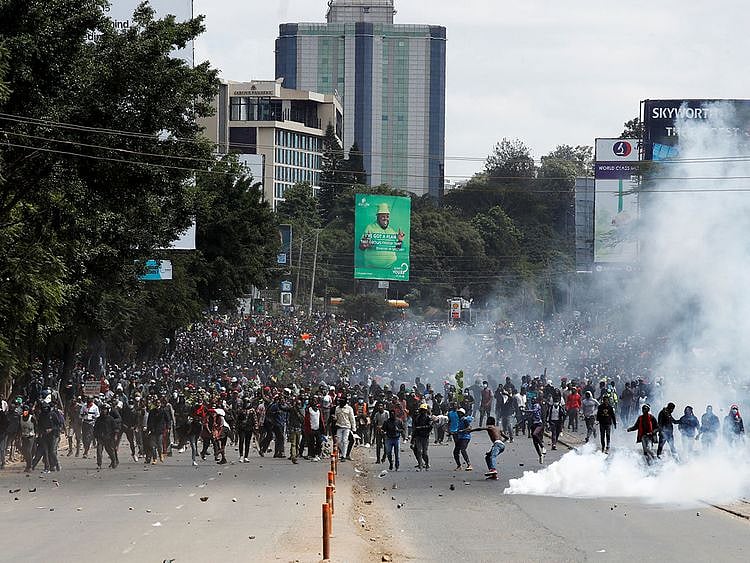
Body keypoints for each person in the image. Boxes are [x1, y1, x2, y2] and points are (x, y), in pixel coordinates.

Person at [358, 202, 405, 271]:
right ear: (378, 217)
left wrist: (400, 240)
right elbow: (361, 247)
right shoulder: (370, 228)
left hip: (389, 269)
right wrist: (364, 245)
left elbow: (397, 248)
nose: (385, 218)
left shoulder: (391, 231)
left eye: (387, 216)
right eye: (383, 216)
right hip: (371, 269)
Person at [94, 403, 118, 469]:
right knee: (99, 451)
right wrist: (95, 436)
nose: (103, 411)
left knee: (110, 451)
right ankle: (99, 464)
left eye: (105, 410)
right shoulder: (98, 419)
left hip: (109, 438)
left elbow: (115, 428)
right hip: (100, 438)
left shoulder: (111, 419)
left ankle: (114, 461)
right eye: (102, 409)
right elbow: (95, 428)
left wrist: (115, 436)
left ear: (107, 410)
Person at [334, 397, 357, 462]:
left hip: (347, 427)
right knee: (338, 442)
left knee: (345, 441)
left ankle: (343, 456)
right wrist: (334, 418)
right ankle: (344, 452)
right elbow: (336, 417)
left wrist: (354, 428)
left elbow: (352, 419)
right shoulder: (337, 408)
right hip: (339, 426)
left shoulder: (349, 408)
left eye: (342, 402)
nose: (340, 403)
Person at [525, 397, 546, 464]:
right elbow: (529, 416)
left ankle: (543, 447)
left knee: (535, 434)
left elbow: (534, 411)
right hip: (533, 425)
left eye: (534, 399)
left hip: (538, 423)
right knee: (535, 442)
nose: (532, 400)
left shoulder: (537, 405)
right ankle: (540, 455)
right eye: (532, 400)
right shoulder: (532, 406)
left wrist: (525, 411)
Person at [411, 403, 431, 470]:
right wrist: (412, 439)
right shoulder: (417, 418)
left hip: (425, 437)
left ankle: (427, 463)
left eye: (424, 410)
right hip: (418, 436)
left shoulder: (428, 418)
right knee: (419, 451)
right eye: (422, 410)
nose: (423, 412)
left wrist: (422, 427)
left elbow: (430, 427)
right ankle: (420, 465)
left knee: (424, 453)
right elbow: (415, 429)